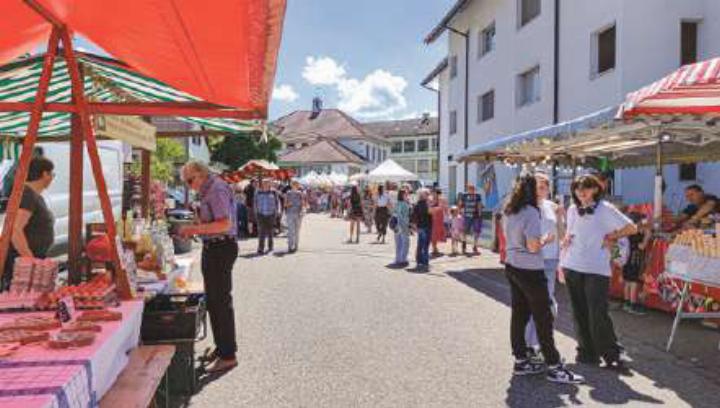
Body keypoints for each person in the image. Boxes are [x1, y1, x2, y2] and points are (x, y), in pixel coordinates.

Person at [503, 174, 583, 384]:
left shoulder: (511, 210)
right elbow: (533, 246)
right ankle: (554, 366)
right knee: (543, 316)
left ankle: (521, 360)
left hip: (513, 266)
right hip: (530, 268)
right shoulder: (531, 212)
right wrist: (546, 239)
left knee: (519, 314)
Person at [560, 174, 637, 368]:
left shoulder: (605, 209)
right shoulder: (571, 209)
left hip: (597, 268)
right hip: (572, 264)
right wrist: (563, 253)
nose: (581, 192)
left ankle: (612, 353)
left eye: (585, 188)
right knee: (579, 312)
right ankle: (586, 352)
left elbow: (632, 228)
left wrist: (613, 236)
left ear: (595, 189)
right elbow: (569, 235)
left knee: (598, 312)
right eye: (577, 189)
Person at [178, 161, 238, 373]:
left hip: (220, 247)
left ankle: (228, 355)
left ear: (200, 174)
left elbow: (224, 224)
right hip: (214, 247)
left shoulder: (216, 188)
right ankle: (223, 348)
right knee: (214, 301)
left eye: (189, 180)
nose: (188, 185)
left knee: (220, 302)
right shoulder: (209, 189)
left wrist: (194, 228)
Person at [2, 157, 56, 291]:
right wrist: (29, 259)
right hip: (22, 264)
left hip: (32, 259)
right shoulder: (27, 195)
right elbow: (16, 230)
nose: (52, 178)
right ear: (45, 174)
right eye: (52, 174)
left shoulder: (34, 195)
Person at [525, 173, 562, 363]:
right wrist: (543, 241)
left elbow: (560, 233)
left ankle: (534, 344)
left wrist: (561, 259)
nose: (541, 189)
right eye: (538, 186)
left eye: (544, 186)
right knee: (539, 305)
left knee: (546, 305)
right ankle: (532, 345)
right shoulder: (526, 208)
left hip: (551, 260)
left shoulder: (550, 206)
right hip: (534, 260)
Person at [621, 212, 651, 315]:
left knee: (627, 280)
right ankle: (633, 304)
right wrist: (647, 236)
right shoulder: (637, 232)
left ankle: (627, 302)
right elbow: (642, 246)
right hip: (634, 258)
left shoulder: (626, 230)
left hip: (625, 258)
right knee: (633, 281)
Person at [254, 179, 280, 255]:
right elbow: (255, 202)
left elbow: (277, 202)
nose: (265, 184)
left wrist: (278, 211)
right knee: (261, 232)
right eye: (264, 183)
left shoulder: (274, 192)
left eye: (267, 183)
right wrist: (256, 212)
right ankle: (260, 248)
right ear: (262, 184)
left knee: (270, 232)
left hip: (271, 214)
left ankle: (270, 247)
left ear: (270, 184)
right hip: (261, 214)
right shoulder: (258, 192)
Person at [411, 189, 432, 271]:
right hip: (427, 226)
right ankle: (425, 262)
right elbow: (430, 213)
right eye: (427, 194)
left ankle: (419, 261)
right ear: (424, 195)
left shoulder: (417, 204)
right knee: (425, 245)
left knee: (420, 244)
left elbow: (413, 216)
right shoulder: (427, 204)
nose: (429, 195)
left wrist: (414, 226)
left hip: (420, 226)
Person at [459, 184, 483, 255]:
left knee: (476, 231)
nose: (471, 190)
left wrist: (480, 214)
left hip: (475, 216)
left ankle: (475, 246)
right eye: (470, 189)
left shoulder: (477, 195)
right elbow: (461, 204)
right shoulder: (464, 195)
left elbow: (479, 205)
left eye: (472, 189)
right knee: (465, 231)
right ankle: (464, 246)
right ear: (467, 189)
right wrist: (460, 211)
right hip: (467, 216)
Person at [284, 180, 306, 253]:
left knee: (297, 231)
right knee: (291, 231)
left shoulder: (300, 193)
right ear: (291, 185)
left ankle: (296, 246)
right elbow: (285, 204)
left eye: (296, 185)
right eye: (293, 184)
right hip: (290, 213)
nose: (295, 186)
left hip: (298, 214)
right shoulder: (288, 193)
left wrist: (302, 210)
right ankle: (290, 246)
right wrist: (288, 204)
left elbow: (303, 204)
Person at [391, 189, 411, 267]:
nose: (407, 196)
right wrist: (408, 225)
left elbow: (394, 214)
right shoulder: (405, 204)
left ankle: (398, 258)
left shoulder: (397, 203)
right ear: (403, 195)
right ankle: (403, 259)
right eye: (406, 194)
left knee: (398, 243)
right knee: (405, 243)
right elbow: (404, 216)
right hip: (403, 225)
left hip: (396, 225)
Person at [430, 190, 447, 256]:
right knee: (433, 234)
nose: (433, 194)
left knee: (437, 234)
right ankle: (434, 248)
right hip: (433, 219)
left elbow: (445, 208)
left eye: (435, 193)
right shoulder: (431, 200)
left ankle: (435, 248)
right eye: (433, 193)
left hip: (439, 219)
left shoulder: (441, 200)